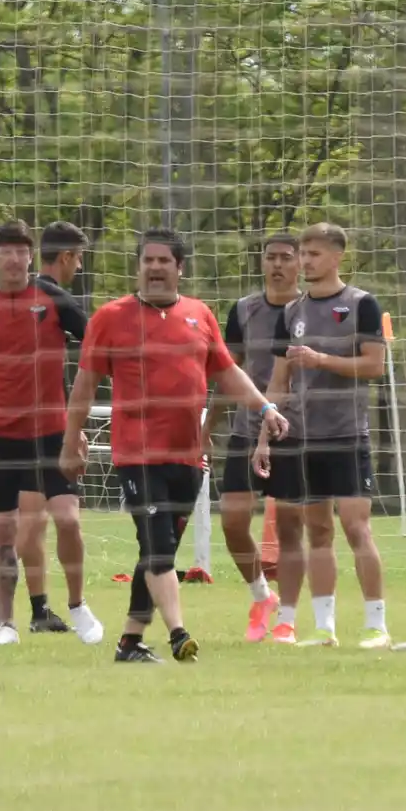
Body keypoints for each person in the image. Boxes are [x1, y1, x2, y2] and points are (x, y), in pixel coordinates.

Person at [62, 227, 289, 664]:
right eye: (148, 261)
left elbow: (227, 373)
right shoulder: (110, 318)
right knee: (158, 544)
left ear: (179, 268)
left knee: (154, 551)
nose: (155, 268)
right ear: (139, 267)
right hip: (137, 455)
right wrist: (71, 442)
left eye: (164, 261)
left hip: (187, 457)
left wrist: (265, 410)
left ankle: (129, 642)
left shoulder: (199, 315)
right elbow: (84, 385)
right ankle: (178, 633)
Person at [0, 220, 103, 646]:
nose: (15, 259)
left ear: (31, 257)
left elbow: (94, 345)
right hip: (1, 436)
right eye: (6, 251)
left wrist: (77, 421)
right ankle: (6, 624)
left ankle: (77, 605)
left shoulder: (53, 299)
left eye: (22, 251)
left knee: (68, 520)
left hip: (52, 434)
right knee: (5, 532)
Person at [253, 222, 389, 649]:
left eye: (313, 253)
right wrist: (264, 433)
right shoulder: (291, 313)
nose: (305, 260)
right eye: (303, 253)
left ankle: (376, 626)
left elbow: (374, 367)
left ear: (336, 257)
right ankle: (325, 628)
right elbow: (279, 381)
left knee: (355, 527)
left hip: (347, 434)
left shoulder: (361, 304)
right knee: (318, 531)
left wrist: (320, 359)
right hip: (303, 438)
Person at [201, 234, 301, 642]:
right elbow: (228, 372)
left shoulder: (310, 311)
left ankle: (289, 620)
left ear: (298, 264)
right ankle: (262, 595)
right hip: (246, 431)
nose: (277, 264)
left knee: (294, 529)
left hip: (298, 432)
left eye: (286, 258)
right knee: (233, 522)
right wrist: (206, 426)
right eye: (270, 257)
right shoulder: (243, 310)